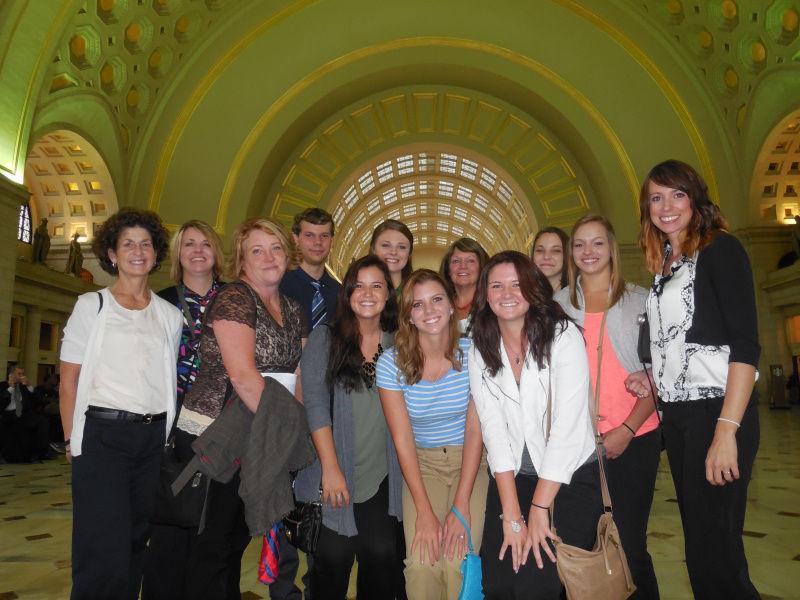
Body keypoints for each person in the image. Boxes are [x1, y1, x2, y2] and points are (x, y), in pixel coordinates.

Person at [634, 159, 760, 599]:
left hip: (717, 412)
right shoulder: (667, 261)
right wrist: (649, 377)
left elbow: (745, 346)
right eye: (656, 197)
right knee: (703, 550)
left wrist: (727, 431)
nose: (665, 206)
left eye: (677, 195)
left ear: (696, 198)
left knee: (718, 555)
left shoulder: (720, 250)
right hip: (682, 418)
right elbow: (678, 342)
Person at [176, 217, 308, 599]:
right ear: (242, 260)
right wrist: (292, 433)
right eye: (257, 250)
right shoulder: (235, 298)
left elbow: (301, 374)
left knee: (234, 540)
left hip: (264, 431)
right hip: (219, 434)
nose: (269, 257)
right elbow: (242, 376)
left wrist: (288, 427)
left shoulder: (293, 307)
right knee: (212, 542)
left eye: (276, 247)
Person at [59, 208, 182, 600]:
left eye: (145, 243)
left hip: (150, 441)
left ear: (155, 253)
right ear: (111, 254)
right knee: (102, 550)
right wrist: (70, 441)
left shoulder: (169, 315)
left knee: (134, 544)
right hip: (101, 437)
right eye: (127, 243)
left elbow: (164, 378)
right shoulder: (91, 306)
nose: (137, 250)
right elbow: (69, 380)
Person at [469, 250, 602, 599]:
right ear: (485, 294)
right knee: (499, 581)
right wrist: (512, 515)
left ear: (533, 288)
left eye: (517, 284)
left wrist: (539, 509)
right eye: (497, 285)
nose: (507, 293)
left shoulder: (562, 336)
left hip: (567, 477)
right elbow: (493, 430)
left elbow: (567, 430)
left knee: (536, 584)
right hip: (512, 477)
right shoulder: (480, 345)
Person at [555, 214, 660, 599]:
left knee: (630, 541)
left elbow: (661, 373)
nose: (588, 251)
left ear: (611, 248)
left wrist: (628, 428)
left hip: (635, 437)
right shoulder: (556, 306)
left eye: (597, 242)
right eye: (580, 244)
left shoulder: (641, 300)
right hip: (578, 445)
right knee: (578, 542)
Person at [295, 255, 404, 600]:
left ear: (389, 293)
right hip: (335, 467)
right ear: (346, 293)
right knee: (332, 557)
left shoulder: (400, 343)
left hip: (383, 474)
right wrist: (330, 469)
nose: (367, 293)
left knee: (383, 555)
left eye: (377, 285)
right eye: (358, 285)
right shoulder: (325, 339)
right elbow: (314, 405)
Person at [376, 269, 487, 600]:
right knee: (423, 565)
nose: (430, 311)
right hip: (422, 467)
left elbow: (474, 430)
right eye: (418, 304)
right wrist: (424, 512)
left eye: (437, 299)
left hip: (470, 463)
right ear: (408, 315)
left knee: (457, 563)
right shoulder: (391, 363)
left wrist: (461, 504)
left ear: (452, 305)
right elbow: (403, 440)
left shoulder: (474, 354)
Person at [142, 219, 225, 600]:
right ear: (178, 254)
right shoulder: (159, 300)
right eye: (188, 244)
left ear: (215, 253)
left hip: (224, 425)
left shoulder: (235, 298)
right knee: (170, 525)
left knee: (214, 531)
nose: (196, 251)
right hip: (174, 427)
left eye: (204, 243)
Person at [275, 208, 341, 599]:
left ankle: (319, 587)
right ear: (296, 238)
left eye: (324, 236)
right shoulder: (277, 285)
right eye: (310, 235)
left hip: (327, 409)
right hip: (284, 409)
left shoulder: (340, 294)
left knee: (321, 500)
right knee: (282, 502)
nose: (317, 242)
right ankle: (284, 590)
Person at [1, 366, 53, 462]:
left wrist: (30, 387)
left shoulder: (23, 387)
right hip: (8, 415)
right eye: (19, 374)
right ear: (11, 375)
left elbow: (38, 400)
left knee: (43, 420)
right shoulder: (2, 386)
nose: (21, 376)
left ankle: (42, 451)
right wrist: (11, 387)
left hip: (24, 414)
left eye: (22, 374)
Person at [439, 237, 489, 335]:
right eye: (456, 261)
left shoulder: (491, 306)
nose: (463, 266)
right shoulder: (438, 305)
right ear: (448, 270)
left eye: (470, 261)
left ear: (481, 267)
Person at [370, 219, 414, 292]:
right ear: (373, 249)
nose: (393, 252)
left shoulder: (416, 294)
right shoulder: (355, 293)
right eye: (386, 245)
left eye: (401, 247)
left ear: (409, 253)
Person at [530, 227, 568, 294]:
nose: (546, 256)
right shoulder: (523, 296)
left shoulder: (581, 296)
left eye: (556, 251)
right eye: (540, 250)